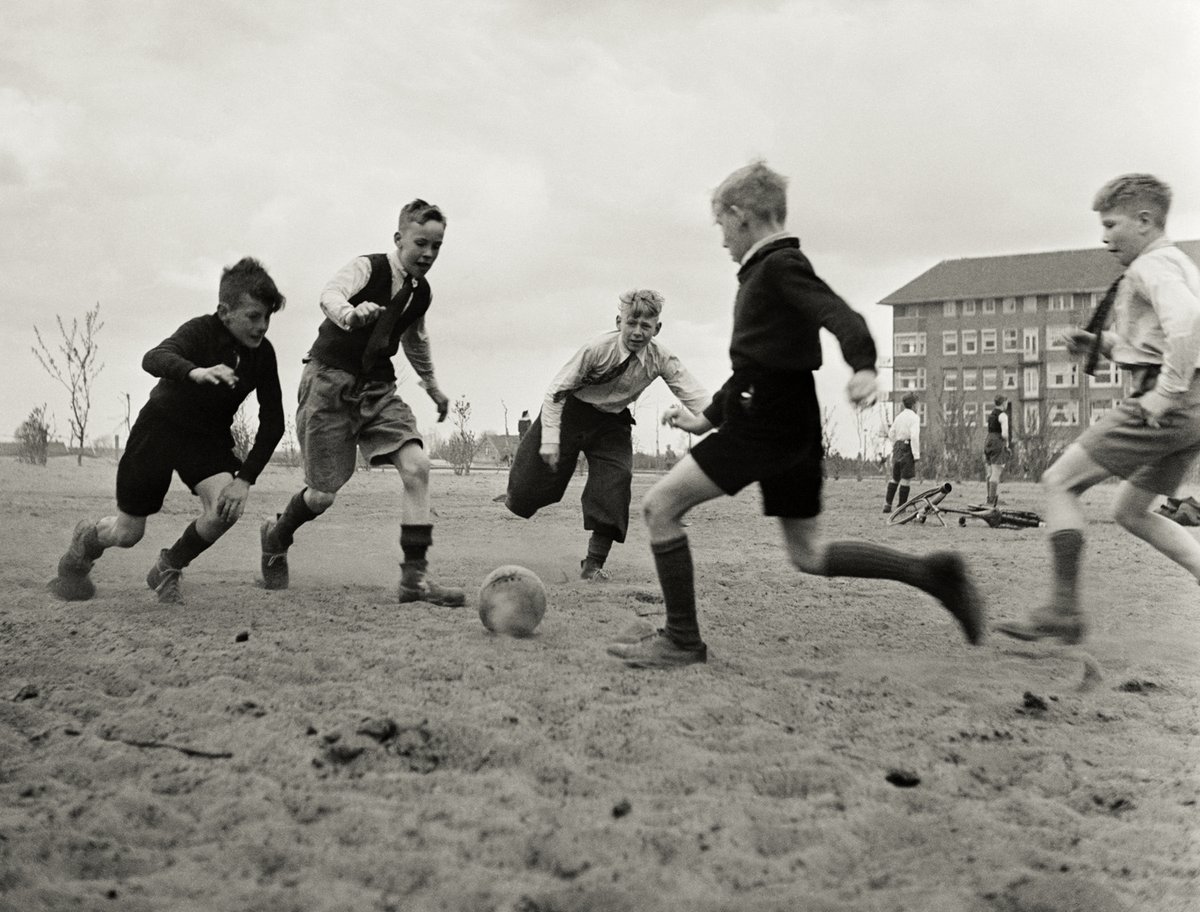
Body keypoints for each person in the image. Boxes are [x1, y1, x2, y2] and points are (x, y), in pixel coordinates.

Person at [607, 161, 983, 668]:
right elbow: (754, 364)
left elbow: (838, 314)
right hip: (793, 422)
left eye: (721, 227)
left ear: (740, 217)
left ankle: (681, 639)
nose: (722, 242)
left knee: (659, 508)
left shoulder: (780, 267)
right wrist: (707, 418)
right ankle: (931, 574)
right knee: (807, 553)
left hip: (765, 422)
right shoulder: (768, 270)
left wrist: (864, 365)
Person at [997, 174, 1200, 644]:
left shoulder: (1152, 266)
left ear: (1145, 221)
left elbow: (1189, 322)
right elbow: (1154, 340)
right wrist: (1102, 343)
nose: (1104, 236)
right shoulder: (1176, 263)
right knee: (1130, 511)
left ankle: (1063, 610)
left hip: (1168, 399)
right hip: (1193, 405)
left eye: (1112, 224)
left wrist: (1165, 392)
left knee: (1059, 482)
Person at [259, 200, 464, 606]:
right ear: (398, 238)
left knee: (418, 466)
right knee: (322, 495)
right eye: (420, 242)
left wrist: (432, 386)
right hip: (329, 382)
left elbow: (413, 340)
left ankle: (414, 580)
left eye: (437, 246)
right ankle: (277, 535)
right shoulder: (367, 267)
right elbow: (330, 294)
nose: (428, 253)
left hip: (376, 388)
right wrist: (349, 314)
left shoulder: (420, 293)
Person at [48, 258, 286, 604]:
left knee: (225, 510)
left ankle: (169, 565)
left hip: (205, 439)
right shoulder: (199, 331)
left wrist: (245, 479)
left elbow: (274, 422)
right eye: (253, 316)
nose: (262, 326)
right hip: (159, 429)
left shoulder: (263, 356)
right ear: (225, 311)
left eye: (267, 317)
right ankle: (86, 541)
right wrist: (193, 372)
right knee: (128, 533)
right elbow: (154, 357)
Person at [505, 289, 710, 580]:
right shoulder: (596, 349)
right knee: (532, 482)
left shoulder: (661, 358)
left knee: (615, 481)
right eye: (631, 323)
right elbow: (556, 391)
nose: (637, 332)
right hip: (572, 411)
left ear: (657, 328)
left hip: (613, 423)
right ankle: (515, 496)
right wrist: (551, 438)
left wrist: (729, 416)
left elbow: (698, 397)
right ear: (619, 321)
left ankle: (593, 564)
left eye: (646, 326)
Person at [883, 393, 920, 513]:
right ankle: (901, 507)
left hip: (898, 447)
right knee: (906, 479)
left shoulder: (899, 417)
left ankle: (887, 504)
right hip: (907, 447)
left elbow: (891, 433)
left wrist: (896, 445)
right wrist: (916, 454)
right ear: (914, 404)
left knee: (895, 478)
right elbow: (914, 436)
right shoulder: (914, 418)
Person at [984, 395, 1010, 506]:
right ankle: (992, 501)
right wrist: (1007, 443)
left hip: (988, 441)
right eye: (1006, 403)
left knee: (989, 473)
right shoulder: (1003, 415)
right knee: (996, 473)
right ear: (1003, 403)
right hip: (997, 442)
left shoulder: (991, 415)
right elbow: (1004, 434)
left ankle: (989, 498)